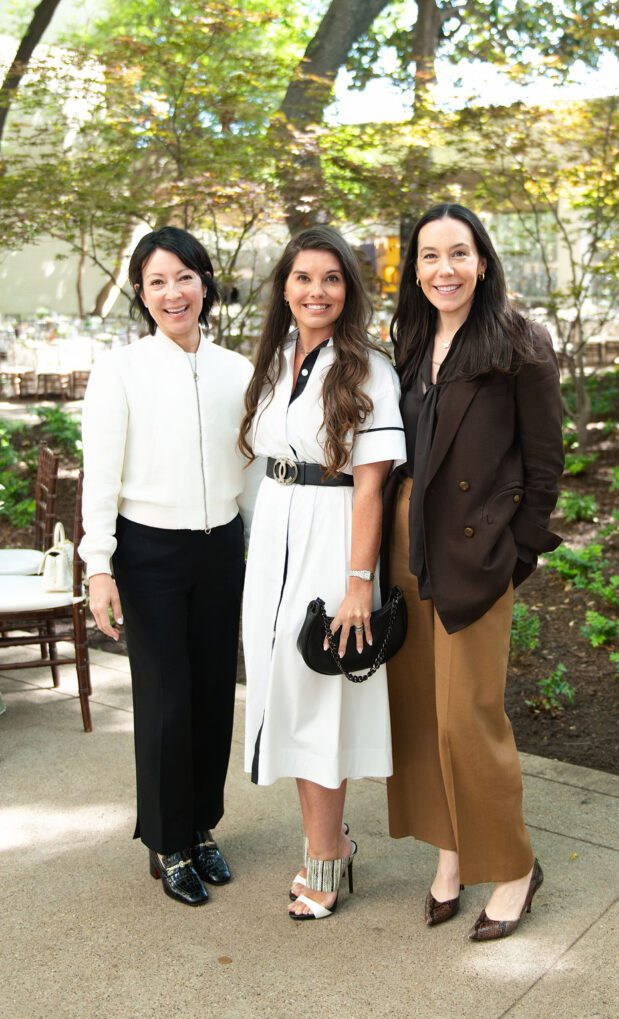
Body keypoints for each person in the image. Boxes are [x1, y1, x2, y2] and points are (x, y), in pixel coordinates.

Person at [384, 203, 564, 941]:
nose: (443, 270)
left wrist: (516, 552)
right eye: (429, 257)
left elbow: (546, 461)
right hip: (405, 552)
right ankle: (451, 855)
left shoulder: (518, 341)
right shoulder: (409, 340)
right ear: (414, 269)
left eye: (458, 254)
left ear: (482, 262)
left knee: (468, 720)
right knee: (421, 718)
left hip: (475, 554)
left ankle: (515, 866)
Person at [79, 227, 254, 906]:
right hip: (147, 552)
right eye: (156, 282)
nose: (172, 292)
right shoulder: (120, 371)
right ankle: (165, 841)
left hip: (221, 550)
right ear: (141, 294)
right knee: (165, 699)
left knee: (213, 694)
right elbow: (100, 476)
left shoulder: (238, 371)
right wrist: (99, 567)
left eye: (183, 277)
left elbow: (254, 469)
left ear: (204, 283)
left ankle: (201, 829)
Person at [238, 225, 406, 921]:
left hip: (331, 534)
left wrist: (357, 581)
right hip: (273, 531)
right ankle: (327, 840)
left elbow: (371, 486)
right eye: (304, 277)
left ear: (348, 291)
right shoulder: (274, 360)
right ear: (285, 286)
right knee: (286, 693)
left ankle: (325, 861)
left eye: (331, 279)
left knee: (320, 697)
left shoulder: (368, 368)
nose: (316, 290)